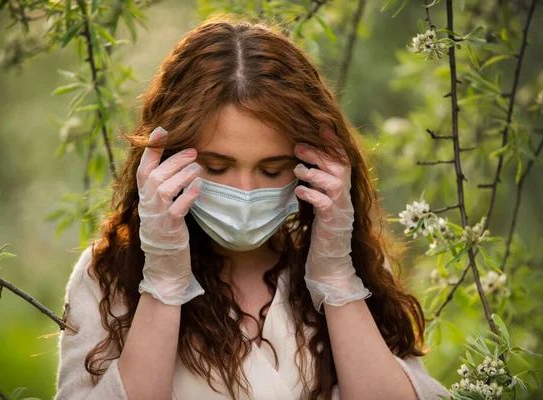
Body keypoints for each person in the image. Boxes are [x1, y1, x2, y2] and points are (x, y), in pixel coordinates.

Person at [54, 15, 450, 400]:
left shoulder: (355, 270)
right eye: (217, 167)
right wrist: (163, 282)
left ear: (310, 168)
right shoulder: (106, 277)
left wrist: (336, 280)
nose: (245, 192)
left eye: (271, 169)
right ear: (165, 159)